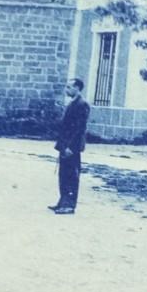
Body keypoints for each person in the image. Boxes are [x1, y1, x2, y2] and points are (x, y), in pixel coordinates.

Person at [50, 79, 90, 214]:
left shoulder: (82, 104)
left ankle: (69, 205)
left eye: (69, 87)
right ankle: (62, 201)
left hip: (71, 147)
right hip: (64, 145)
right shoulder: (72, 103)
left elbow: (79, 129)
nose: (66, 90)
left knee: (71, 175)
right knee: (63, 174)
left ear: (77, 88)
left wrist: (70, 147)